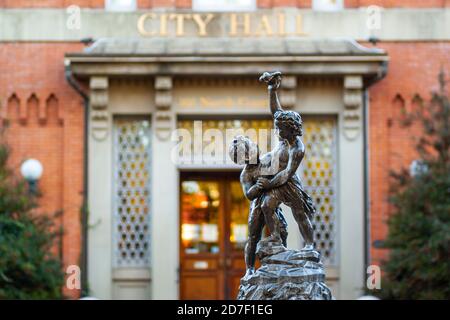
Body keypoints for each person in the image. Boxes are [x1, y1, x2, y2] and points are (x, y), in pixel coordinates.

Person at [256, 71, 316, 250]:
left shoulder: (297, 149)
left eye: (280, 129)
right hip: (277, 181)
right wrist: (272, 90)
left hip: (289, 184)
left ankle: (310, 246)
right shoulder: (284, 135)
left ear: (290, 130)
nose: (277, 132)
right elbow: (276, 112)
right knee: (267, 205)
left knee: (300, 214)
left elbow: (287, 174)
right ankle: (275, 237)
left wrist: (268, 185)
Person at [229, 135, 288, 277]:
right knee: (253, 237)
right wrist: (257, 187)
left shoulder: (267, 159)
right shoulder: (246, 174)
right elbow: (248, 194)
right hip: (256, 205)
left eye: (252, 148)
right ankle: (249, 268)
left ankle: (283, 260)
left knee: (282, 230)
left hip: (271, 202)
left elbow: (282, 164)